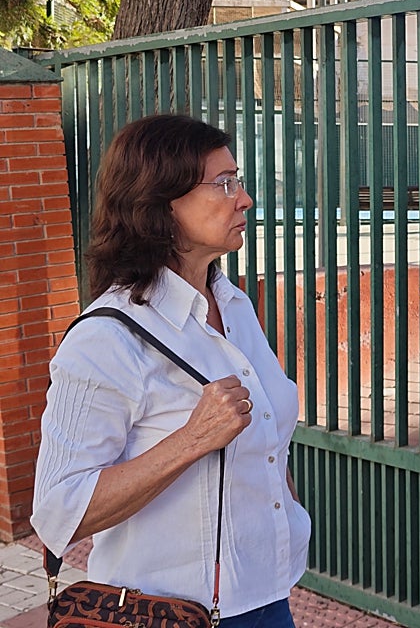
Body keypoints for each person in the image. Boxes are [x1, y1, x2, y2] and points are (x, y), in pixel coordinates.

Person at [32, 114, 311, 628]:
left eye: (239, 180)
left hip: (267, 595)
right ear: (162, 205)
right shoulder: (107, 338)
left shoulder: (233, 304)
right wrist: (191, 439)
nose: (243, 198)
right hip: (167, 612)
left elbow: (267, 432)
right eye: (224, 184)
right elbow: (57, 513)